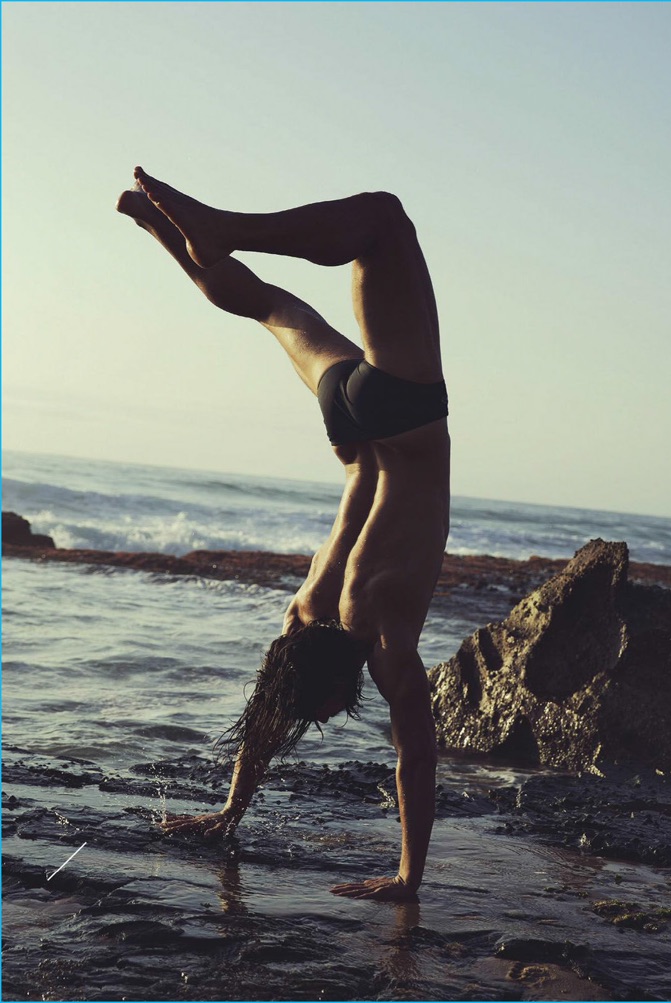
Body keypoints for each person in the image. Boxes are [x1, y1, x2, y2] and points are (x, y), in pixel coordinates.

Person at [117, 169, 450, 902]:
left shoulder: (379, 626)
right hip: (353, 423)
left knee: (384, 221)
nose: (332, 718)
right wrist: (230, 807)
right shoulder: (303, 613)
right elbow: (271, 708)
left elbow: (416, 758)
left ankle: (219, 229)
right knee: (269, 306)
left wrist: (407, 877)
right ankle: (159, 226)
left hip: (402, 420)